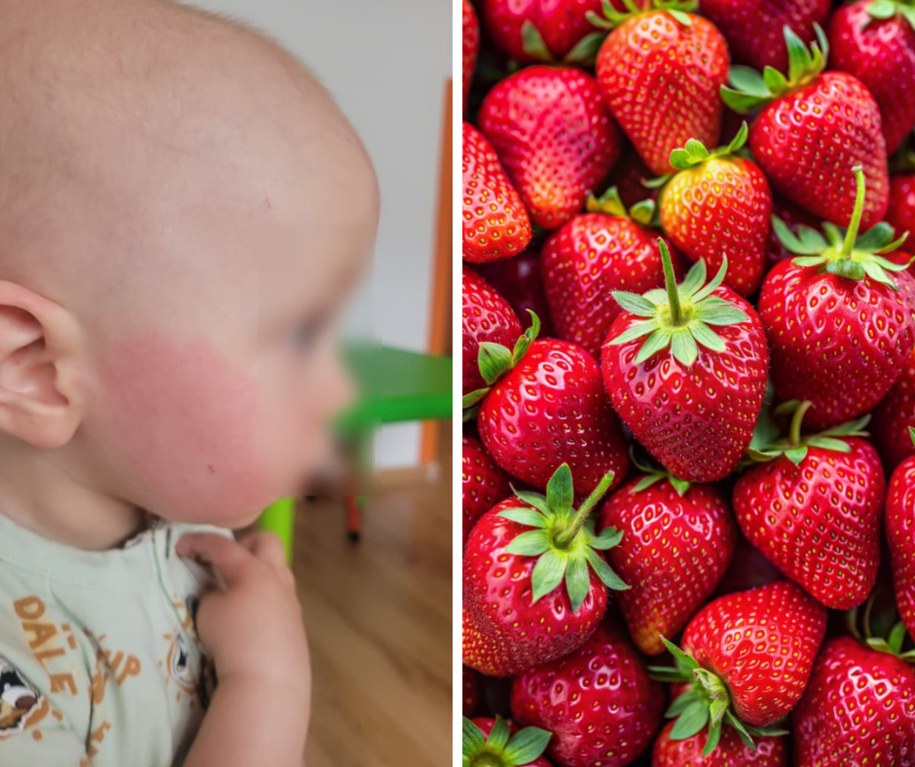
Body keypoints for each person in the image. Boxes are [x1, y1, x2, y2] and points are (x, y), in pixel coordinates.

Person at [0, 0, 378, 764]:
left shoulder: (164, 507)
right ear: (35, 371)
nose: (345, 394)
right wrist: (266, 677)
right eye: (299, 333)